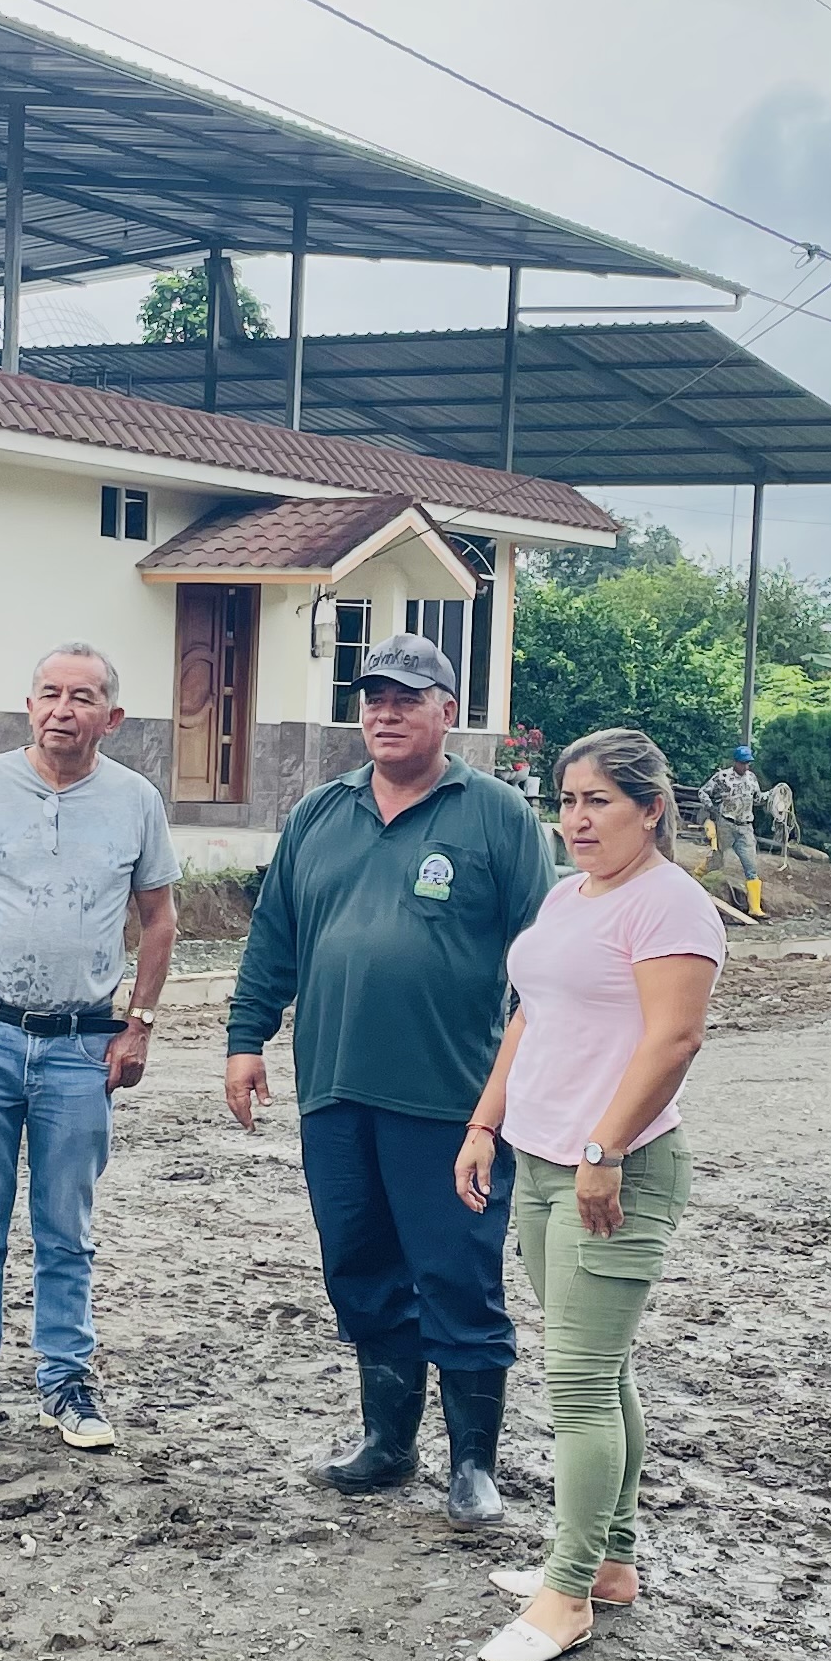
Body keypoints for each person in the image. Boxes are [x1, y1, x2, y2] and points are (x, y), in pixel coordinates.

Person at [224, 632, 547, 1524]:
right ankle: (388, 1442)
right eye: (374, 698)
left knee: (458, 1274)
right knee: (360, 1264)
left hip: (451, 1098)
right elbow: (274, 938)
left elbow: (545, 958)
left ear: (448, 711)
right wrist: (246, 1038)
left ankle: (474, 1465)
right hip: (335, 1090)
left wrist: (530, 1081)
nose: (386, 713)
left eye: (407, 699)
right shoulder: (319, 815)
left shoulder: (496, 817)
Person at [458, 726, 721, 1661]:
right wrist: (485, 1122)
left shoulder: (671, 906)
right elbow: (531, 1016)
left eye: (598, 801)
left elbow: (673, 1040)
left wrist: (604, 1148)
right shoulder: (569, 897)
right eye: (567, 801)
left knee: (576, 1382)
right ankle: (610, 1565)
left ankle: (565, 1594)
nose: (576, 819)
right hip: (538, 1161)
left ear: (650, 810)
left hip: (615, 1169)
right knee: (600, 1374)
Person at [0, 644, 177, 1454]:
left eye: (82, 697)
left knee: (66, 1224)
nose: (63, 710)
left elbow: (159, 919)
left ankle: (66, 1382)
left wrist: (139, 1023)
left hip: (82, 1045)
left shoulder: (135, 801)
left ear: (110, 718)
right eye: (50, 694)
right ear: (29, 706)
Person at [700, 749, 761, 895]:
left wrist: (772, 797)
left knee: (751, 866)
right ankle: (697, 876)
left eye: (747, 763)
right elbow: (703, 792)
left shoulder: (751, 778)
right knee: (717, 858)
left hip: (745, 826)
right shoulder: (722, 777)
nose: (745, 766)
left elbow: (757, 799)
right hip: (726, 824)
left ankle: (755, 905)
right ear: (735, 762)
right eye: (742, 763)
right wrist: (711, 807)